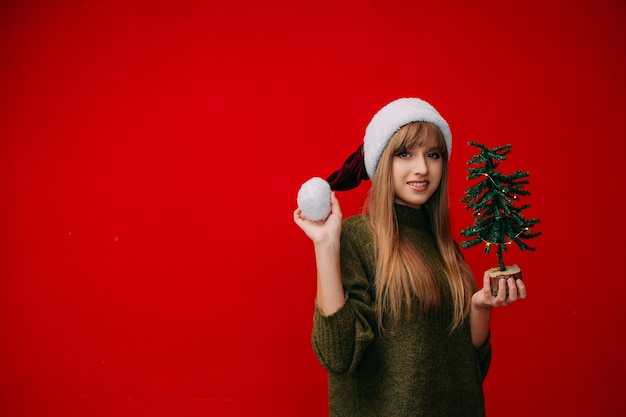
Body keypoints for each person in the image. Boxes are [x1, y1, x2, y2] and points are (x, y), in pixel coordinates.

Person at [293, 98, 527, 417]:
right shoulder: (357, 237)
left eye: (433, 154)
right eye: (405, 153)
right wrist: (325, 245)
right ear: (381, 161)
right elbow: (338, 355)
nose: (422, 168)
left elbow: (467, 372)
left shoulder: (446, 249)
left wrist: (479, 306)